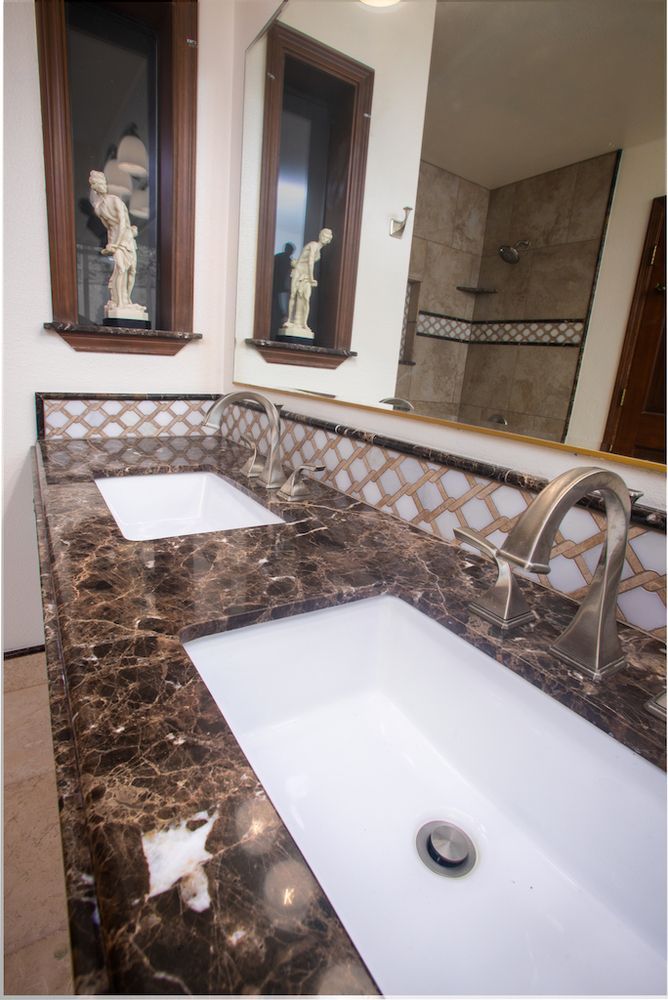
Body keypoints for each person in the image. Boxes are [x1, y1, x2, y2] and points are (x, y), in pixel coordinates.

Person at [88, 169, 139, 310]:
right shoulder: (99, 208)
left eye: (103, 182)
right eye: (99, 183)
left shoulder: (115, 200)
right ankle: (119, 302)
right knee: (121, 269)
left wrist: (117, 242)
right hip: (117, 239)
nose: (102, 185)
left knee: (132, 270)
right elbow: (110, 228)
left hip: (126, 238)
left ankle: (127, 299)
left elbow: (123, 223)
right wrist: (111, 244)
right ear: (95, 187)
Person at [284, 228, 333, 335]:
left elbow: (311, 264)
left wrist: (309, 278)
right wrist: (311, 279)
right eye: (324, 236)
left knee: (306, 298)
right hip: (299, 271)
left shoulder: (319, 253)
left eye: (327, 238)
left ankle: (303, 323)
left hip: (306, 275)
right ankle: (289, 320)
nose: (325, 239)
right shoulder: (313, 245)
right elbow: (310, 262)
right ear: (320, 236)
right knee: (293, 295)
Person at [271, 242, 295, 337]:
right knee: (281, 312)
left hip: (280, 289)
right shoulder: (283, 259)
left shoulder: (281, 258)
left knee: (281, 312)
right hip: (279, 288)